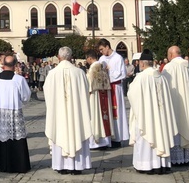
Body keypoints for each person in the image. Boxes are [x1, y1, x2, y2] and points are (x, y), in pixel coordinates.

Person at [127, 49, 178, 174]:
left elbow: (131, 95)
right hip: (160, 117)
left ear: (142, 64)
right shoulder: (161, 77)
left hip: (147, 116)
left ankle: (147, 165)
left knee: (146, 139)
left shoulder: (141, 78)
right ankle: (161, 164)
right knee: (160, 135)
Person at [44, 47, 92, 175]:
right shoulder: (79, 73)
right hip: (76, 113)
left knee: (59, 132)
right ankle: (76, 166)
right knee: (76, 132)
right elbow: (86, 93)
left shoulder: (52, 73)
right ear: (71, 57)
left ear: (59, 57)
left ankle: (61, 166)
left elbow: (47, 93)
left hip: (59, 113)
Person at [0, 54, 31, 173]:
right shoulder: (19, 79)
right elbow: (26, 97)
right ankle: (18, 164)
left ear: (3, 65)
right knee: (15, 137)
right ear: (14, 65)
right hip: (14, 111)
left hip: (0, 112)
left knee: (0, 138)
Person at [162, 45, 189, 165]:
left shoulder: (168, 68)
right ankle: (188, 158)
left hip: (174, 104)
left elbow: (164, 87)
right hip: (188, 105)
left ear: (170, 55)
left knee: (176, 127)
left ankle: (177, 159)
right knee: (188, 125)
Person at [97, 38, 129, 147]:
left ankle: (117, 138)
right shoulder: (101, 59)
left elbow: (123, 74)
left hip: (115, 87)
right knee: (106, 113)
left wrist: (109, 70)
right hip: (105, 89)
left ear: (107, 47)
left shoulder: (118, 58)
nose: (101, 52)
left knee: (116, 113)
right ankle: (107, 138)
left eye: (102, 49)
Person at [85, 50, 114, 150]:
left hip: (95, 97)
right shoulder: (102, 67)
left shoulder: (92, 69)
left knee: (96, 117)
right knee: (105, 117)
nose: (87, 61)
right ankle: (106, 140)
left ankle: (97, 142)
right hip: (104, 95)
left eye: (87, 59)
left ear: (90, 58)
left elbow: (88, 85)